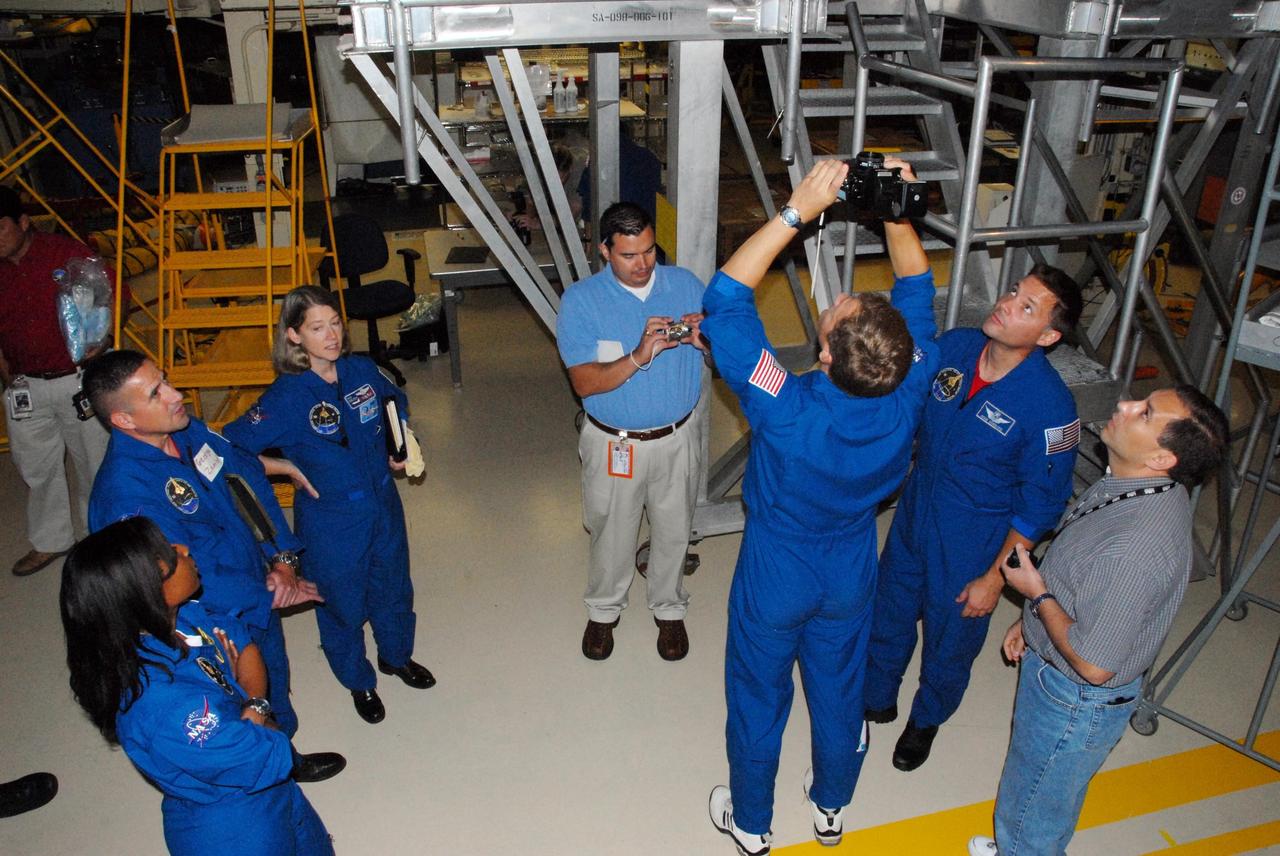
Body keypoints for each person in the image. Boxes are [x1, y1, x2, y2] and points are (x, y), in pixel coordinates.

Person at [705, 158, 939, 855]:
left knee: (759, 694)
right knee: (838, 691)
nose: (836, 299)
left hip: (779, 564)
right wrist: (896, 211)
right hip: (849, 564)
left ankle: (751, 821)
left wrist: (795, 212)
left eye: (837, 311)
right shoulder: (908, 386)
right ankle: (831, 805)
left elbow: (726, 299)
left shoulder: (786, 404)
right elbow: (918, 290)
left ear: (829, 356)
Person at [968, 384, 1229, 856]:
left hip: (1072, 698)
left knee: (1035, 809)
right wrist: (1033, 623)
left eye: (1144, 413)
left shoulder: (1135, 548)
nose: (1125, 405)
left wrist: (1036, 595)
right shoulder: (1139, 486)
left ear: (1161, 458)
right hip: (1063, 677)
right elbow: (1088, 588)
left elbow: (1094, 664)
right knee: (1039, 789)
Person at [863, 256, 1083, 771]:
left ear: (1047, 336)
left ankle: (926, 719)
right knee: (890, 608)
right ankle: (876, 694)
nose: (1006, 304)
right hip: (917, 512)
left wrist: (994, 577)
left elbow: (1041, 505)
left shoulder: (1051, 407)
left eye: (1026, 307)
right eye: (1013, 291)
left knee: (951, 637)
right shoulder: (958, 347)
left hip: (974, 540)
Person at [82, 350, 332, 768]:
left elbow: (242, 478)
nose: (175, 394)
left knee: (271, 676)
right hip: (211, 620)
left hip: (258, 586)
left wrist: (283, 557)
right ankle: (269, 769)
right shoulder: (125, 497)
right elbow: (170, 585)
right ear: (123, 419)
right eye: (156, 393)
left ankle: (283, 754)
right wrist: (266, 593)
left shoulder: (184, 430)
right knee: (235, 705)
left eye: (165, 380)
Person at [60, 516, 334, 855]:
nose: (184, 549)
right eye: (169, 556)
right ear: (146, 594)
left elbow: (242, 641)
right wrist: (256, 704)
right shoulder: (163, 707)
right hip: (237, 825)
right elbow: (265, 755)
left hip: (269, 793)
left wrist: (251, 709)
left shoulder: (180, 617)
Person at [224, 286, 434, 725]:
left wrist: (398, 443)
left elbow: (394, 402)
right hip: (332, 518)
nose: (332, 335)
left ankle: (396, 656)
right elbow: (230, 449)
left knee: (393, 586)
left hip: (382, 502)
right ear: (294, 335)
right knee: (341, 602)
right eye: (317, 328)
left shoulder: (362, 370)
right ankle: (358, 680)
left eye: (335, 323)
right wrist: (281, 466)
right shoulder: (286, 397)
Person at [556, 201, 706, 661]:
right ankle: (603, 611)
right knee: (611, 532)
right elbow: (584, 382)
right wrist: (640, 355)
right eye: (628, 255)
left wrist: (708, 342)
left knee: (675, 529)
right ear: (604, 250)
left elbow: (725, 358)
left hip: (677, 438)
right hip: (614, 443)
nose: (642, 264)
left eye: (649, 251)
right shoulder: (581, 301)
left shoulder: (686, 285)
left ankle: (669, 607)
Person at [0, 185, 111, 577]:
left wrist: (101, 344)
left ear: (23, 222)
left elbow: (113, 293)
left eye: (0, 228)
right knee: (35, 467)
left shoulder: (65, 254)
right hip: (25, 386)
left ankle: (103, 539)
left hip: (76, 379)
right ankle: (51, 540)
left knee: (94, 462)